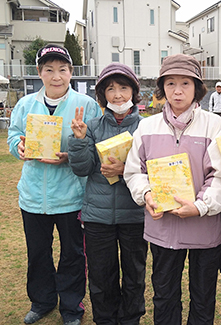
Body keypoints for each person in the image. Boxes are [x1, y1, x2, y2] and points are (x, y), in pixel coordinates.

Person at [123, 53, 221, 325]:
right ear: (162, 88)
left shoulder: (214, 125)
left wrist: (199, 206)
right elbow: (135, 171)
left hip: (203, 230)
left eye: (185, 83)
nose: (178, 90)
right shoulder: (147, 126)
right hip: (162, 230)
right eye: (170, 83)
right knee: (164, 295)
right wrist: (146, 194)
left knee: (203, 296)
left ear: (197, 88)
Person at [7, 44, 102, 325]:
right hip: (33, 196)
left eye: (62, 69)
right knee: (38, 253)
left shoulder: (86, 105)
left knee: (73, 255)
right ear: (39, 72)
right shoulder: (26, 105)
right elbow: (14, 135)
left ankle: (72, 308)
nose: (56, 75)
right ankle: (42, 301)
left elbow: (95, 145)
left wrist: (72, 155)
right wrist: (19, 148)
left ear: (71, 72)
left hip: (72, 195)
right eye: (49, 69)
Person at [67, 63, 148, 324]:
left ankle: (130, 319)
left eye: (123, 88)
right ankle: (105, 319)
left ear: (134, 92)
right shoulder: (91, 126)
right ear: (102, 95)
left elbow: (154, 173)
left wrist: (126, 170)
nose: (117, 95)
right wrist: (78, 140)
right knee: (101, 275)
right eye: (110, 89)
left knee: (134, 274)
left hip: (135, 215)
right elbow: (82, 169)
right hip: (97, 217)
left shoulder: (146, 128)